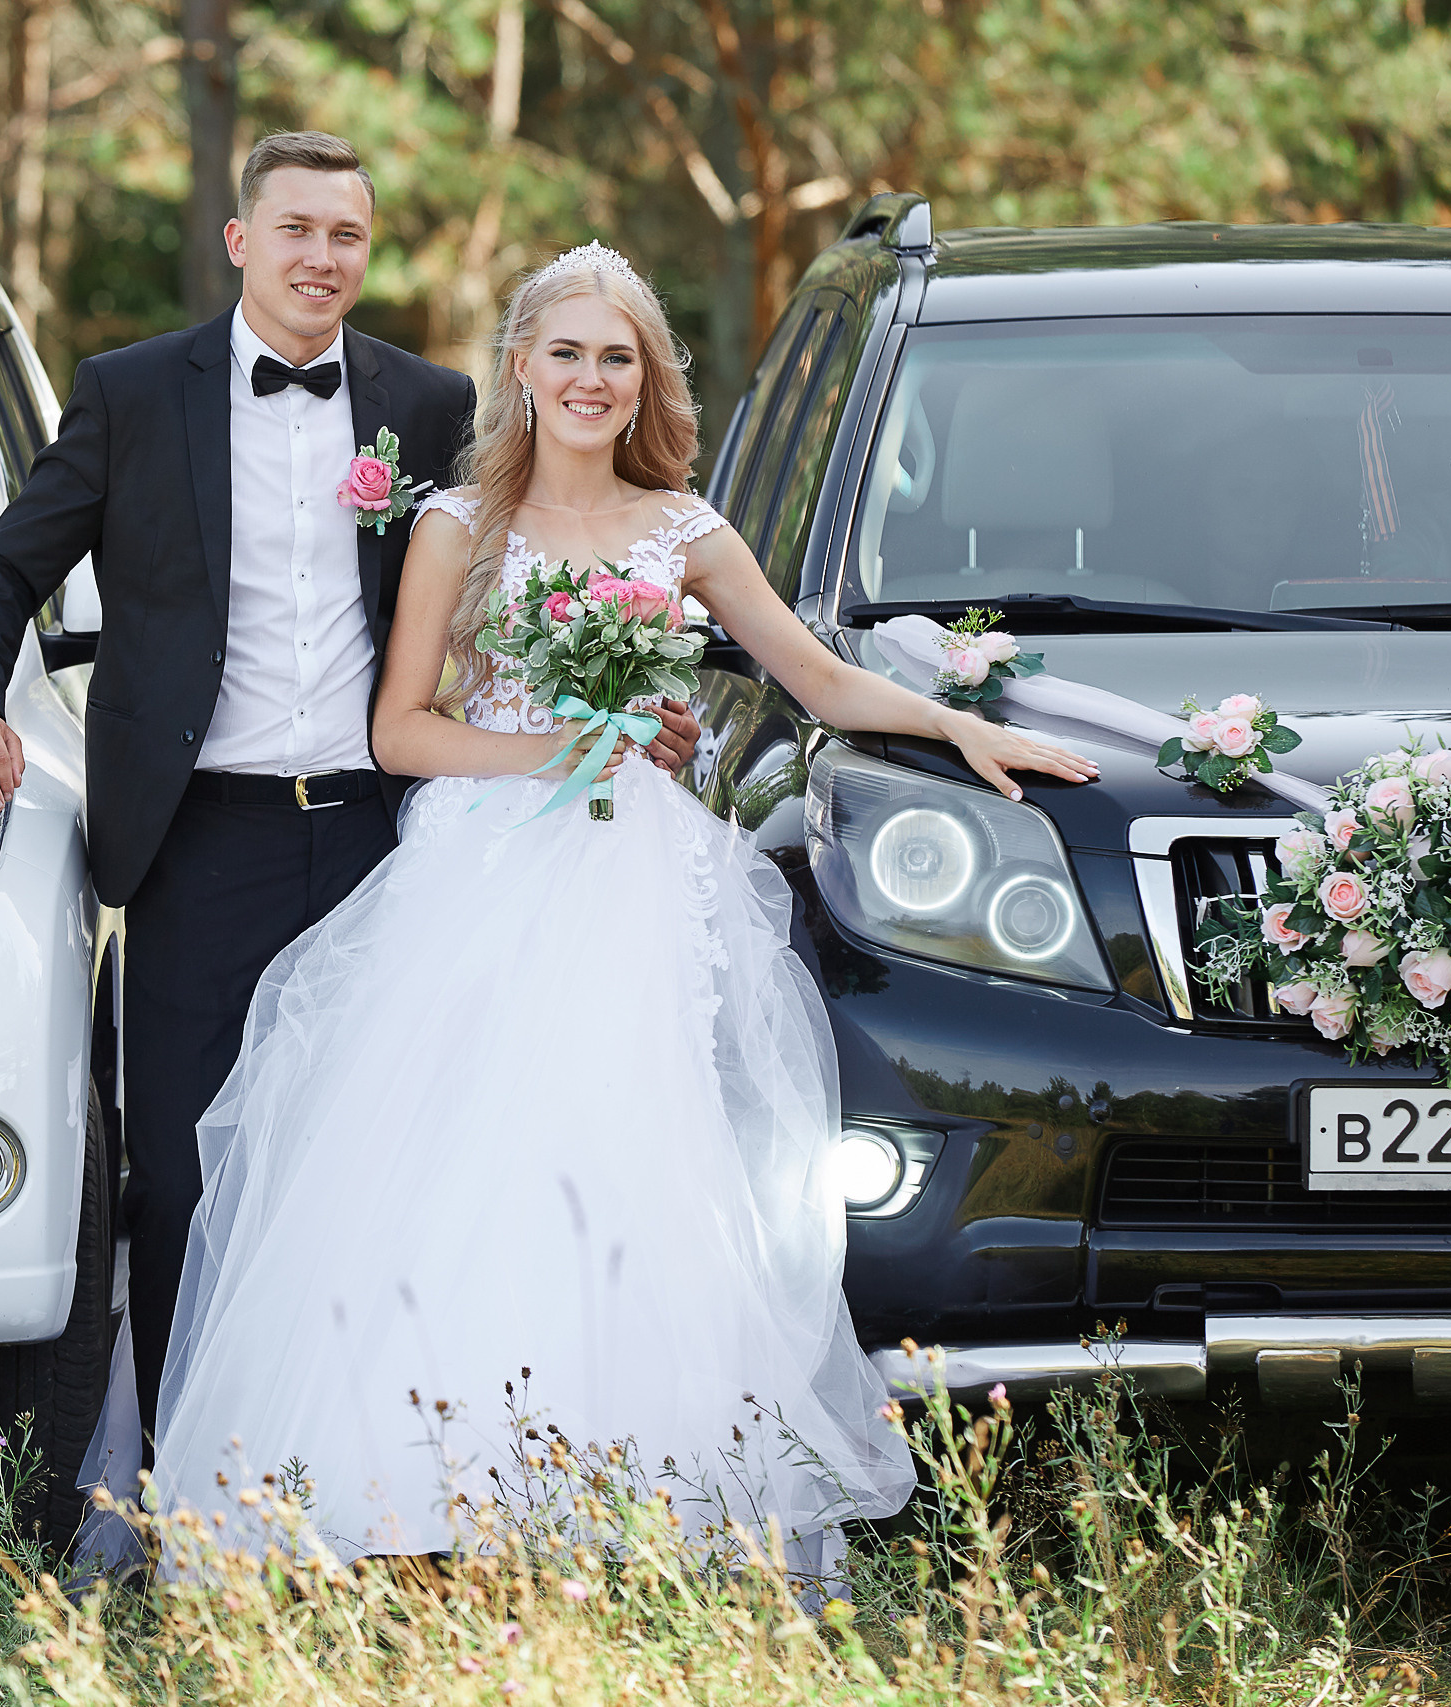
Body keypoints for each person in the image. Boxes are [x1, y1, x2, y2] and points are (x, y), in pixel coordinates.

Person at [144, 242, 1100, 1565]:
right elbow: (403, 730)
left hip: (641, 886)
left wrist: (958, 728)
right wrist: (561, 748)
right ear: (522, 369)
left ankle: (628, 1492)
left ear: (643, 377)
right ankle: (436, 1489)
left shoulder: (683, 529)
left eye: (618, 356)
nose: (592, 379)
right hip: (482, 873)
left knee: (638, 1158)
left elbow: (819, 684)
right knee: (466, 1166)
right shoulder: (455, 526)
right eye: (568, 353)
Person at [0, 135, 707, 1443]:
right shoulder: (129, 393)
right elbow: (5, 574)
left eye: (346, 235)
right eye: (295, 230)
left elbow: (533, 589)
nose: (320, 258)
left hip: (382, 844)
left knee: (367, 1177)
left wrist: (631, 717)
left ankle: (350, 1488)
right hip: (190, 847)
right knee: (175, 1180)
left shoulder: (432, 404)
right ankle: (183, 1501)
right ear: (241, 242)